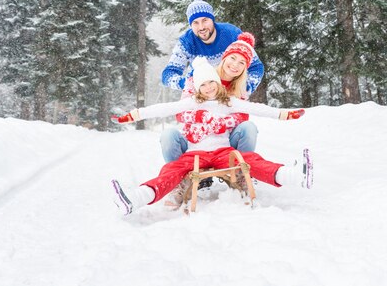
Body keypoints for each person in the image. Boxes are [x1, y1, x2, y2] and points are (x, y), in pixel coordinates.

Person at [110, 57, 311, 216]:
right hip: (195, 153)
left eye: (211, 82)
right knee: (172, 169)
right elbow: (163, 108)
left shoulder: (229, 102)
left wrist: (284, 114)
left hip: (223, 151)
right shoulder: (191, 103)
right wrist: (133, 115)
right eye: (203, 85)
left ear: (218, 83)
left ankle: (294, 176)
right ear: (197, 87)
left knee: (248, 160)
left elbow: (256, 108)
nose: (208, 88)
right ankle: (135, 199)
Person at [159, 31, 261, 163]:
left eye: (242, 63)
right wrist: (201, 117)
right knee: (168, 135)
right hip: (195, 140)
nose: (235, 65)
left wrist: (221, 123)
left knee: (249, 127)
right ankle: (180, 174)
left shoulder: (240, 88)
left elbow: (243, 116)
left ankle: (241, 170)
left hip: (225, 141)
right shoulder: (202, 75)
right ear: (225, 57)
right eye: (233, 58)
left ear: (245, 68)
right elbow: (180, 113)